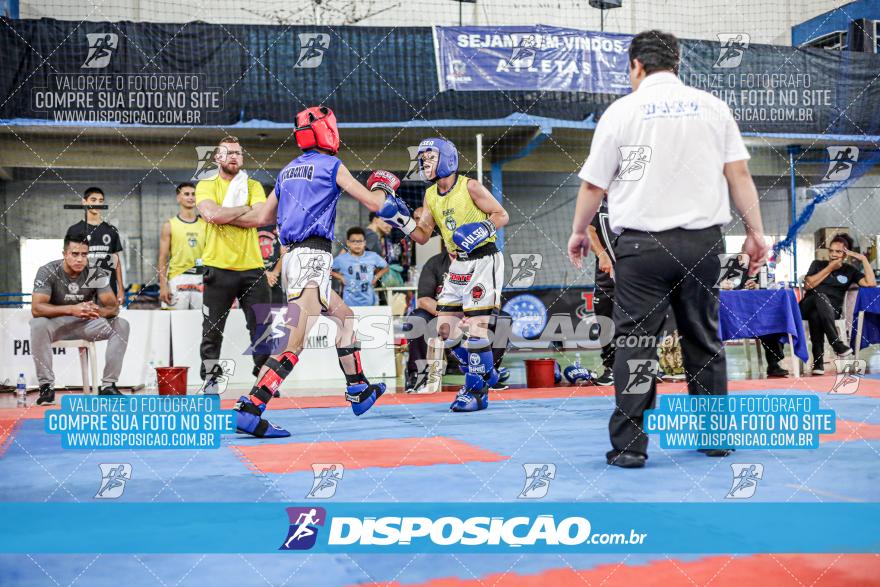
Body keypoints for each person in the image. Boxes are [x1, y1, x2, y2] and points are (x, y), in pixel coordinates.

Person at [567, 30, 769, 468]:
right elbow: (738, 176)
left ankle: (629, 448)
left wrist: (580, 231)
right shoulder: (714, 108)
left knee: (636, 343)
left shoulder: (621, 111)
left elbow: (593, 184)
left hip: (642, 246)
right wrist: (756, 231)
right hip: (702, 245)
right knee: (703, 337)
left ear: (636, 66)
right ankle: (715, 436)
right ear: (676, 65)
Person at [217, 105, 417, 437]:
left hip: (300, 259)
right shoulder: (331, 165)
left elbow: (259, 218)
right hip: (311, 257)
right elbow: (374, 204)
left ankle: (358, 387)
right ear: (328, 130)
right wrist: (384, 187)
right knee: (294, 343)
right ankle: (252, 406)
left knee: (345, 317)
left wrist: (221, 215)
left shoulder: (286, 172)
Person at [402, 138, 510, 412]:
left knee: (476, 328)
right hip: (458, 263)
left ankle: (475, 391)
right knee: (445, 330)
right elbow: (423, 236)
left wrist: (479, 231)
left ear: (446, 158)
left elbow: (501, 215)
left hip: (484, 259)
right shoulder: (429, 195)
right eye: (422, 157)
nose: (424, 161)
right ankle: (487, 373)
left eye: (430, 156)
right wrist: (400, 220)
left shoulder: (470, 185)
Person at [195, 136, 272, 385]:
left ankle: (263, 378)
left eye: (238, 153)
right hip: (218, 267)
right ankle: (210, 378)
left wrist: (224, 213)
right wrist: (243, 209)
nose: (234, 157)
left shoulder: (253, 186)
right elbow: (211, 214)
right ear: (217, 158)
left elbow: (260, 218)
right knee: (212, 330)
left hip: (253, 268)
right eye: (228, 153)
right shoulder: (206, 186)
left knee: (262, 329)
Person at [29, 232, 130, 404]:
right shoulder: (48, 271)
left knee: (121, 325)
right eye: (75, 254)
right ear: (65, 254)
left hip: (86, 323)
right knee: (38, 324)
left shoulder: (94, 272)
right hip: (57, 325)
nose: (80, 259)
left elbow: (113, 307)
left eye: (84, 254)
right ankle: (46, 387)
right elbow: (37, 308)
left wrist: (95, 310)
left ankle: (108, 385)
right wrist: (72, 309)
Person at [405, 244, 510, 393]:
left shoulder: (483, 262)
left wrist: (471, 315)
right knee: (417, 320)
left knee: (503, 320)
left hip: (473, 312)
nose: (455, 246)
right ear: (445, 242)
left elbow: (491, 297)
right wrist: (450, 315)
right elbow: (424, 300)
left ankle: (488, 373)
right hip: (441, 312)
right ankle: (417, 376)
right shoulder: (434, 263)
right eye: (451, 241)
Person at [801, 233, 875, 374]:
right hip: (807, 305)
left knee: (816, 314)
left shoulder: (850, 271)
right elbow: (808, 285)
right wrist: (829, 268)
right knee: (819, 297)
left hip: (830, 311)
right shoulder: (818, 265)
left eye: (838, 251)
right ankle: (836, 343)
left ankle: (818, 364)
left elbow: (870, 283)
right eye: (831, 250)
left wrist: (863, 259)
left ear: (845, 254)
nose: (833, 254)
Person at [66, 187, 124, 307]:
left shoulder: (111, 230)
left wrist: (121, 289)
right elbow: (68, 261)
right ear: (84, 202)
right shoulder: (74, 230)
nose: (97, 203)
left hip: (108, 287)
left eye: (100, 200)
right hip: (83, 287)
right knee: (82, 322)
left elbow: (116, 261)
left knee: (109, 323)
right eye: (93, 200)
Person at [158, 182, 207, 310]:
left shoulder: (205, 225)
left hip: (200, 277)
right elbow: (163, 258)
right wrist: (163, 286)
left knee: (200, 324)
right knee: (176, 323)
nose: (191, 197)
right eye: (186, 194)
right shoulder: (169, 225)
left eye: (193, 194)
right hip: (177, 278)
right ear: (178, 198)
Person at [586, 196, 615, 386]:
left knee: (640, 321)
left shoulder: (635, 196)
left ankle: (643, 366)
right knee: (605, 321)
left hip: (636, 272)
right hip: (607, 275)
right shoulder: (595, 203)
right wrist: (602, 254)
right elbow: (587, 230)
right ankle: (611, 368)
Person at [331, 227, 389, 307]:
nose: (357, 244)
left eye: (360, 241)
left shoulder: (372, 256)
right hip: (348, 303)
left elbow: (386, 267)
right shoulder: (341, 259)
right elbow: (327, 269)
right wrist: (340, 277)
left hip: (369, 302)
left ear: (365, 243)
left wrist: (376, 277)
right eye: (353, 241)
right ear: (348, 243)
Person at [258, 224, 287, 305]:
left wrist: (275, 272)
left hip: (275, 280)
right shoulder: (251, 225)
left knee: (276, 311)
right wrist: (264, 274)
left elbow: (284, 252)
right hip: (255, 277)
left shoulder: (278, 226)